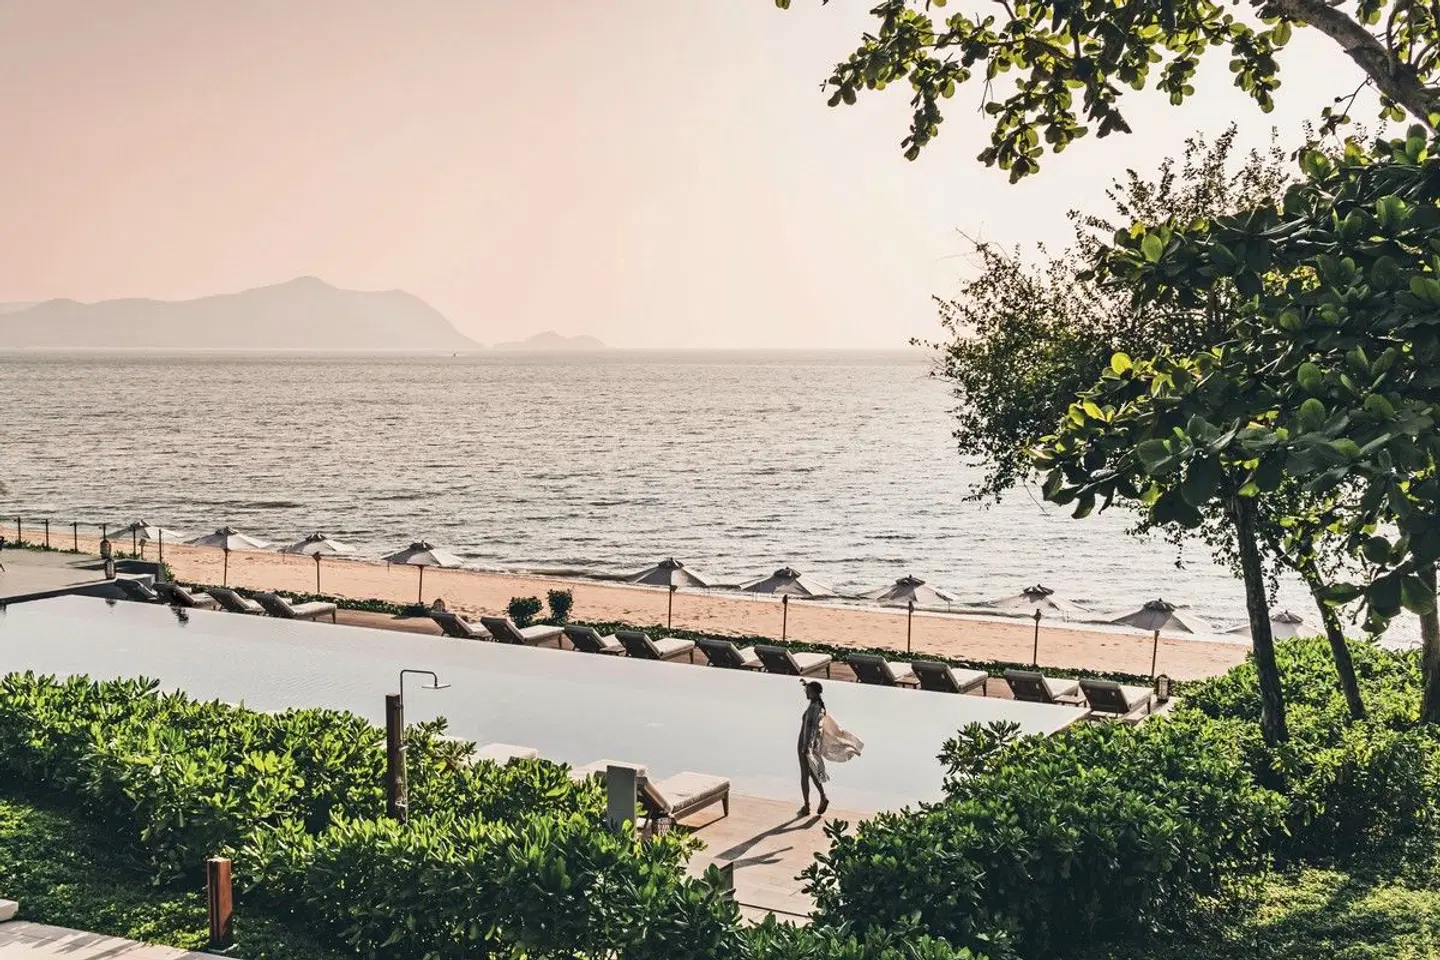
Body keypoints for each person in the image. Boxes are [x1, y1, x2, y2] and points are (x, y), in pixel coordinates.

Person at [798, 680, 829, 817]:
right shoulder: (816, 706)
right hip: (808, 743)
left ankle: (807, 806)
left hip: (805, 743)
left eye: (809, 691)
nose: (806, 693)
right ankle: (822, 797)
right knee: (811, 772)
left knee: (805, 774)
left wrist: (806, 746)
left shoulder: (814, 708)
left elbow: (812, 728)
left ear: (815, 693)